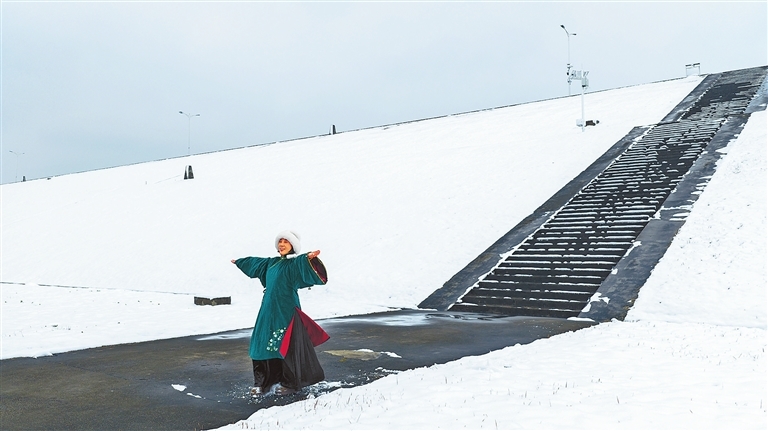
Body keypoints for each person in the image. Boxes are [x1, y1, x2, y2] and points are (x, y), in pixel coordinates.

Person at [231, 230, 329, 396]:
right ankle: (262, 382)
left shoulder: (293, 264)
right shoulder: (271, 263)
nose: (282, 244)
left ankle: (289, 382)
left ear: (293, 246)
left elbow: (301, 264)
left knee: (285, 345)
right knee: (261, 343)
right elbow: (255, 263)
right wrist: (240, 262)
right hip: (268, 309)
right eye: (280, 241)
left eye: (286, 241)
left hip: (286, 310)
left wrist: (308, 259)